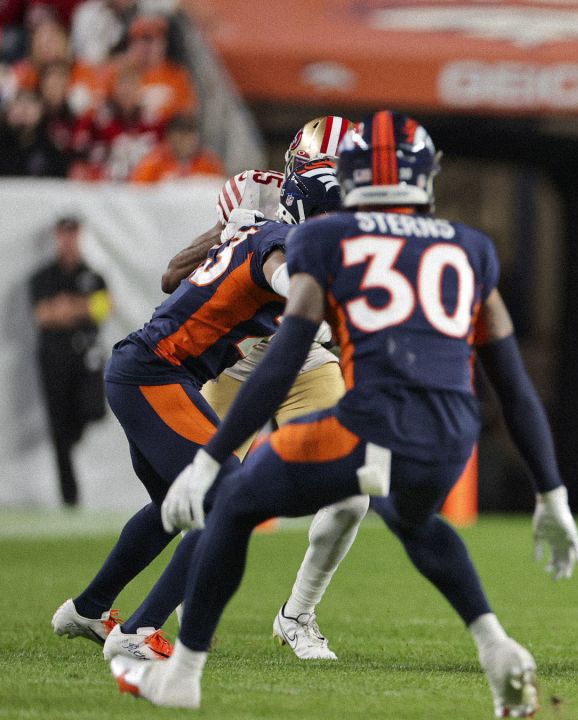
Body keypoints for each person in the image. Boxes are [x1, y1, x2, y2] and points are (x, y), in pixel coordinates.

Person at [111, 110, 578, 718]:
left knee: (231, 501)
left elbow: (282, 359)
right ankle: (495, 644)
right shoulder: (470, 247)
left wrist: (208, 459)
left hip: (363, 420)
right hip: (449, 432)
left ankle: (183, 674)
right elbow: (513, 385)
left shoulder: (322, 240)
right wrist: (552, 495)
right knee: (413, 521)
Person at [49, 167, 343, 661]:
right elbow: (287, 280)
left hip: (149, 371)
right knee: (227, 498)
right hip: (155, 374)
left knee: (172, 507)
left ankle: (91, 607)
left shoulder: (261, 233)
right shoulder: (278, 243)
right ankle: (140, 631)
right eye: (333, 215)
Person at [156, 116, 364, 661]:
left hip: (305, 361)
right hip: (238, 362)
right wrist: (232, 236)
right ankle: (178, 605)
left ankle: (297, 614)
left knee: (351, 494)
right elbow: (172, 276)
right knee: (203, 493)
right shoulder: (257, 199)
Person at [29, 215, 111, 507]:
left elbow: (101, 310)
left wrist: (66, 307)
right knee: (58, 430)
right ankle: (70, 497)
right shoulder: (44, 276)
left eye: (72, 233)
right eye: (63, 234)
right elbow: (43, 315)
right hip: (53, 358)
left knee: (92, 410)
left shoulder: (92, 275)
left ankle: (72, 436)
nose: (68, 240)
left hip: (85, 355)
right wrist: (81, 307)